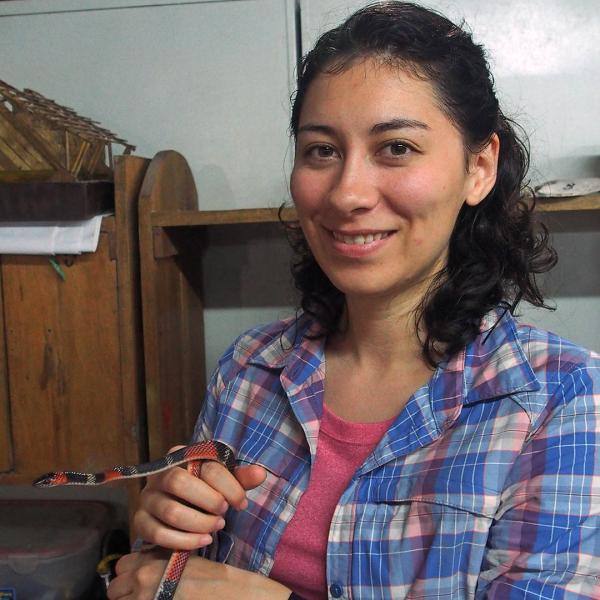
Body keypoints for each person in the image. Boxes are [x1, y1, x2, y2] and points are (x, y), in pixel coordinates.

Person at [107, 2, 600, 598]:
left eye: (395, 148)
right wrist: (165, 541)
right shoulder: (250, 368)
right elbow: (173, 575)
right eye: (322, 150)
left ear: (478, 166)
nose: (347, 194)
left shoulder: (562, 401)